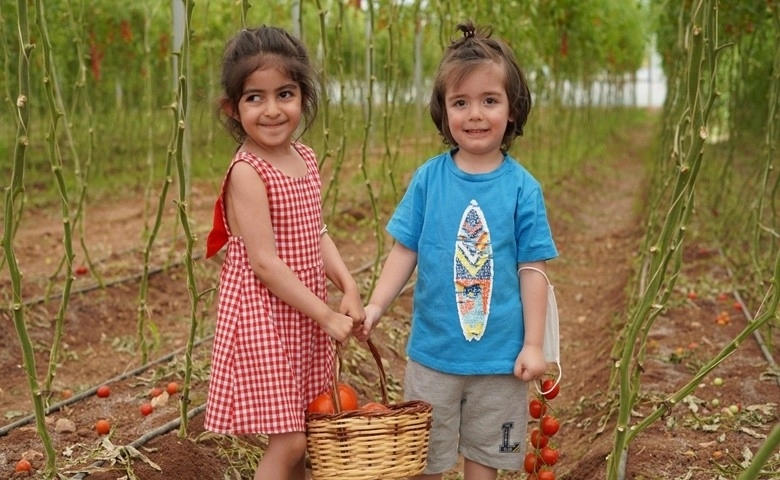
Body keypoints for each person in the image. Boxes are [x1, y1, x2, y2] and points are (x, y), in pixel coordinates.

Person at [356, 20, 558, 480]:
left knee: (485, 459)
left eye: (490, 101)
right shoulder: (429, 179)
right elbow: (404, 251)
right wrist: (376, 305)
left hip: (501, 361)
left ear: (512, 110)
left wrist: (532, 344)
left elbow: (533, 269)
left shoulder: (523, 189)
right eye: (460, 102)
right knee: (425, 461)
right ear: (443, 111)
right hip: (433, 356)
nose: (475, 114)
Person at [203, 25, 365, 480]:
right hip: (264, 318)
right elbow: (265, 263)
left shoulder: (306, 158)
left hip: (301, 314)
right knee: (290, 439)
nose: (272, 110)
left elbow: (317, 232)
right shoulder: (248, 171)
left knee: (304, 429)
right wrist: (326, 316)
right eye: (255, 98)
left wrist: (348, 286)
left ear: (303, 97)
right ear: (232, 109)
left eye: (285, 94)